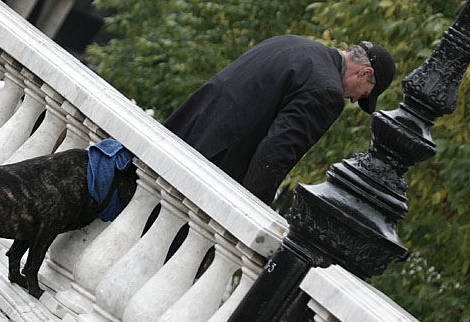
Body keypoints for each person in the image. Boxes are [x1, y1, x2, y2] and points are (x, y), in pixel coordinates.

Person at [164, 34, 396, 205]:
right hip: (212, 168)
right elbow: (275, 156)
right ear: (366, 73)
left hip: (185, 131)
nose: (354, 100)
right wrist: (253, 211)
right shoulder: (327, 92)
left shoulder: (292, 43)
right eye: (364, 94)